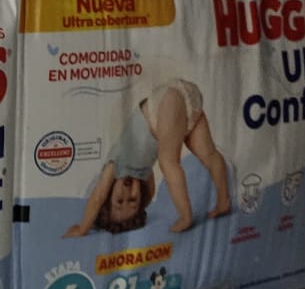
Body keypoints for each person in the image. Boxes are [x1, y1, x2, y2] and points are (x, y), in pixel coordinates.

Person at [64, 79, 231, 237]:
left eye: (119, 200)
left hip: (166, 102)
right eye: (133, 200)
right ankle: (223, 200)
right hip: (187, 106)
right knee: (209, 155)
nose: (128, 193)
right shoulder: (144, 175)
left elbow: (97, 197)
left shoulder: (115, 166)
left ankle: (186, 216)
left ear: (109, 195)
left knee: (168, 162)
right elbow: (150, 193)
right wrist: (143, 203)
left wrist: (82, 228)